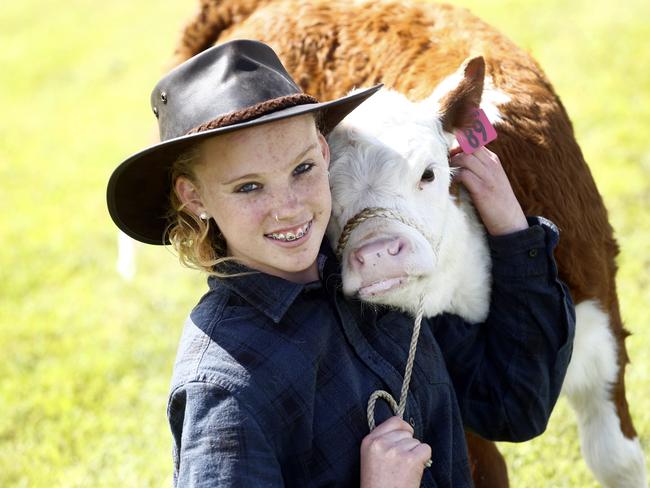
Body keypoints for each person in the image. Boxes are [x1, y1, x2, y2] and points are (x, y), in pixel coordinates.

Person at [106, 39, 575, 487]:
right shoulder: (226, 386)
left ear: (325, 152)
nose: (288, 207)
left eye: (303, 168)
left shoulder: (374, 278)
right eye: (249, 187)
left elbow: (512, 406)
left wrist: (513, 233)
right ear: (194, 197)